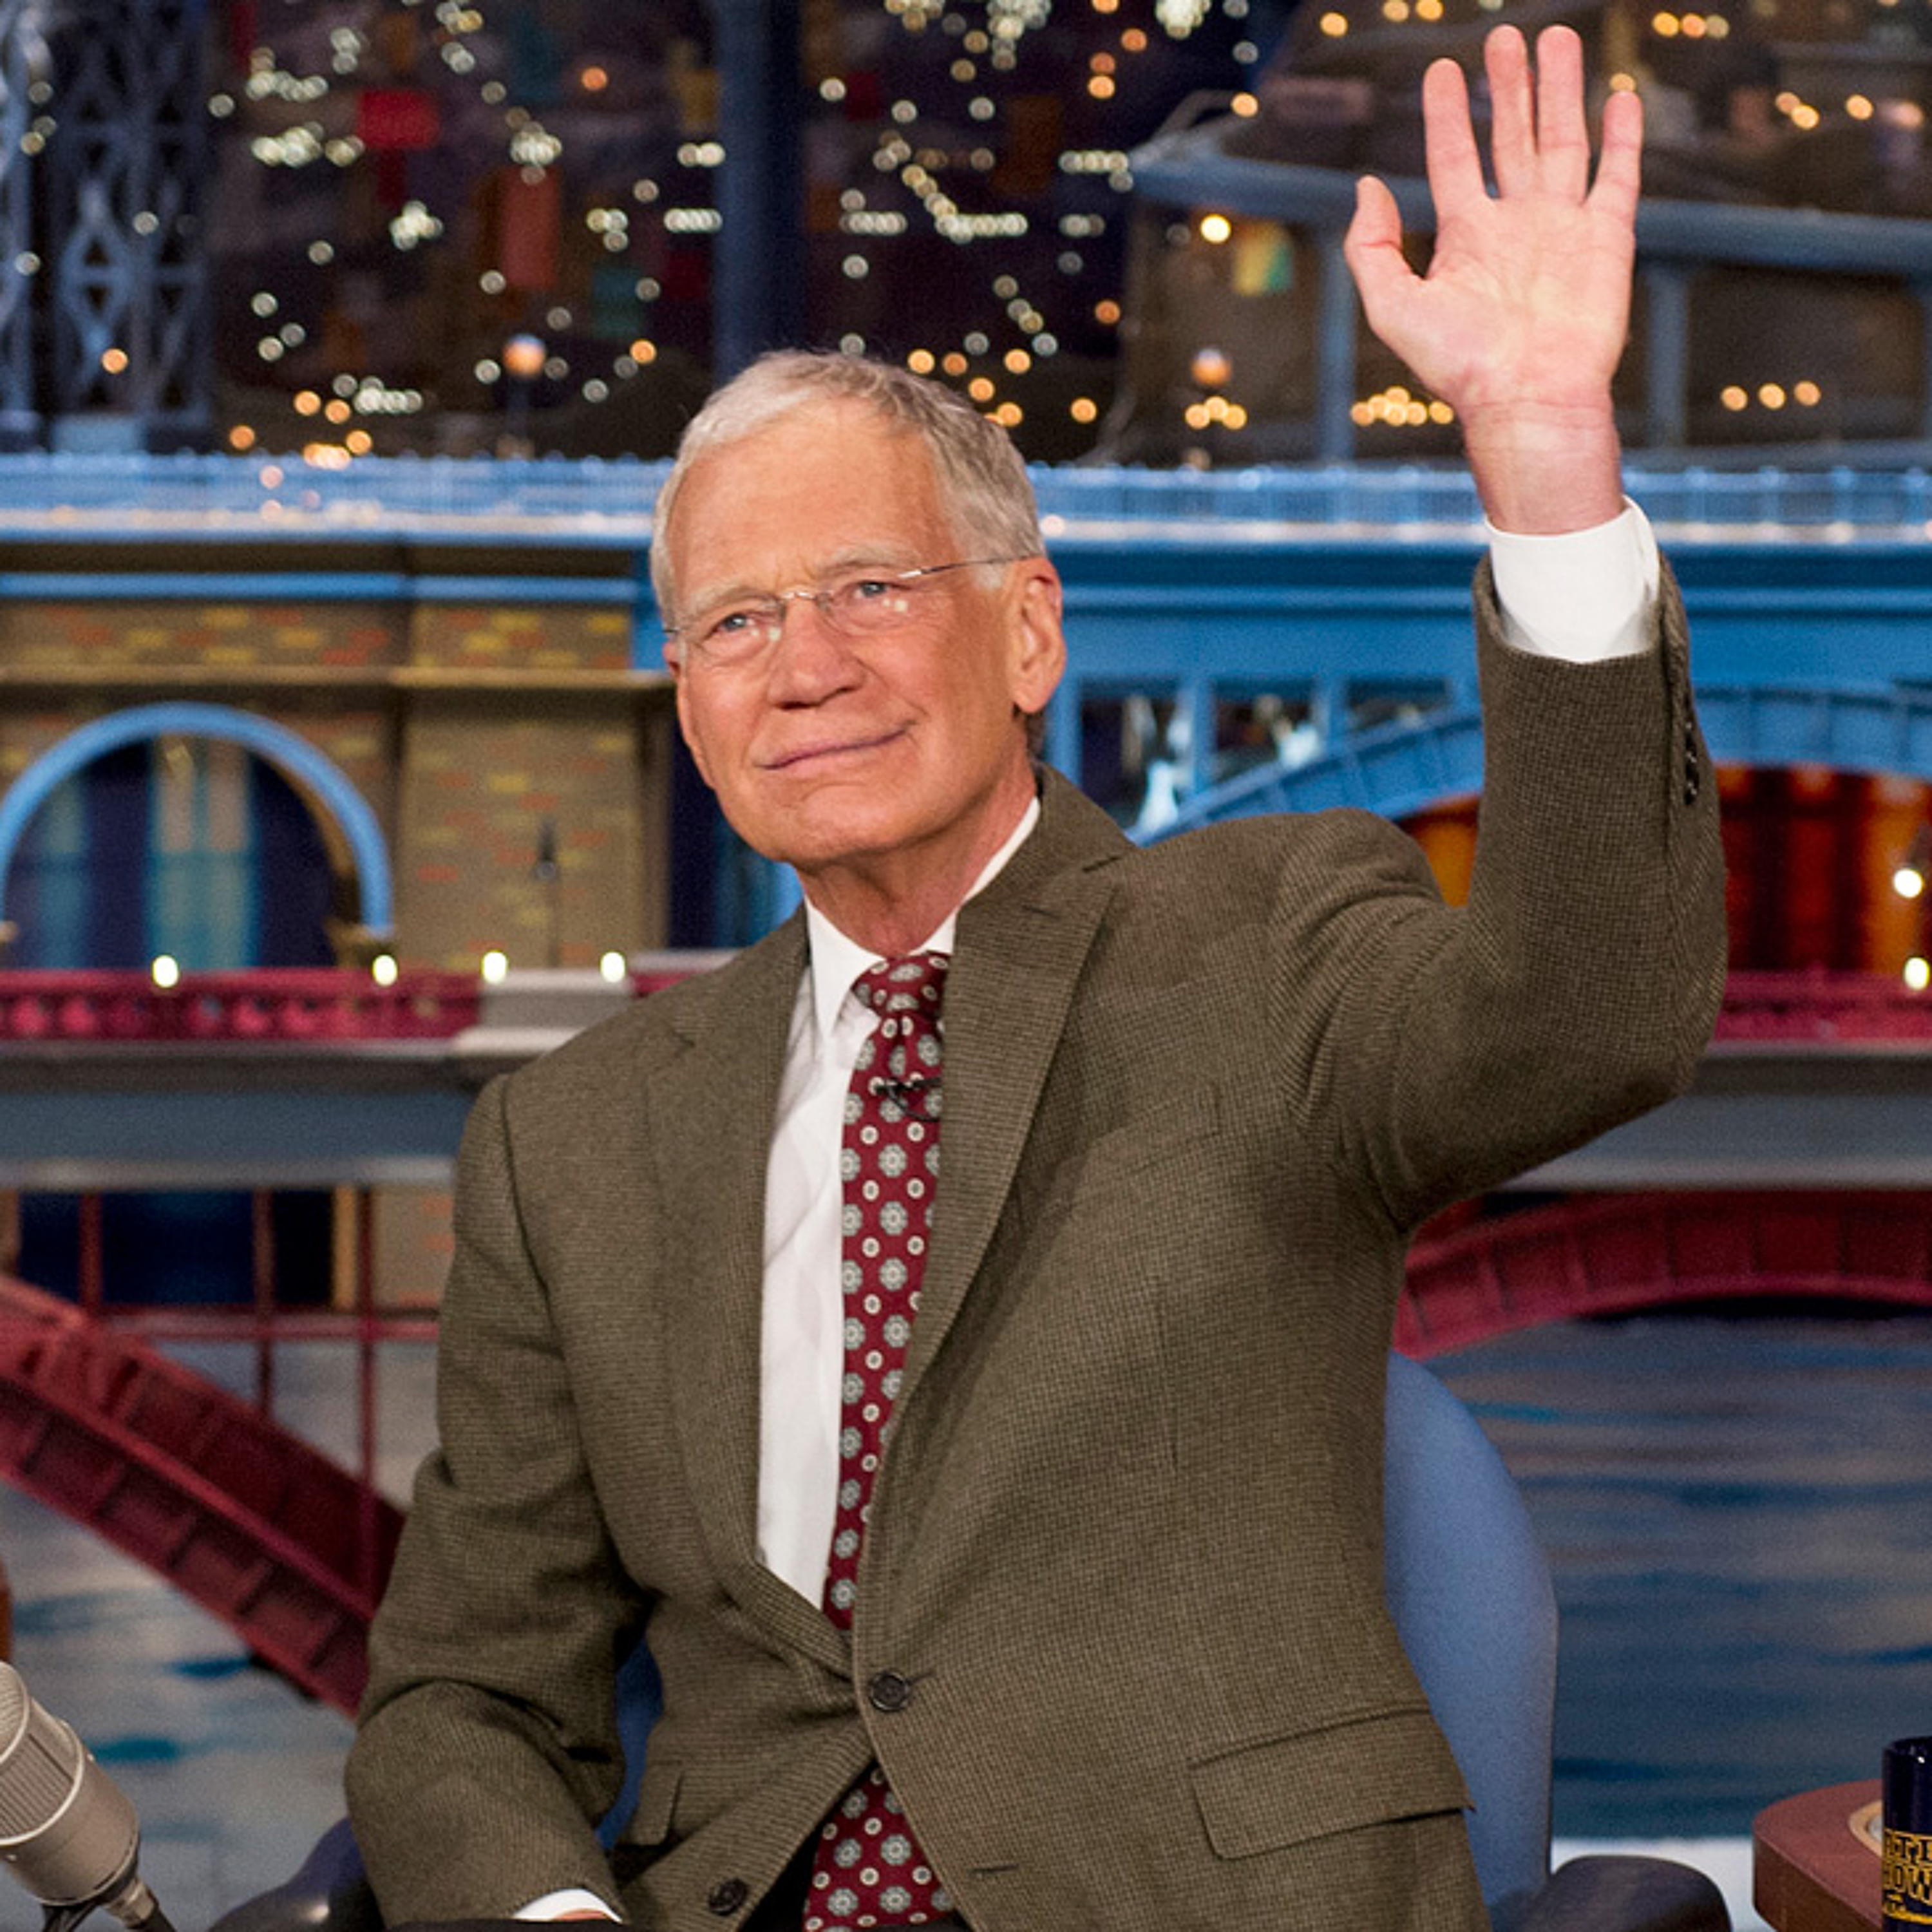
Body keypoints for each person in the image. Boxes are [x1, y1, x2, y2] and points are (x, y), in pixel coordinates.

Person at [346, 26, 1726, 1932]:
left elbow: (1592, 1016)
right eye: (736, 622)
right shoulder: (565, 1146)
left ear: (1028, 633)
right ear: (691, 705)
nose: (803, 667)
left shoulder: (1271, 938)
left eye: (870, 589)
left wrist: (1546, 461)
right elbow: (463, 1704)